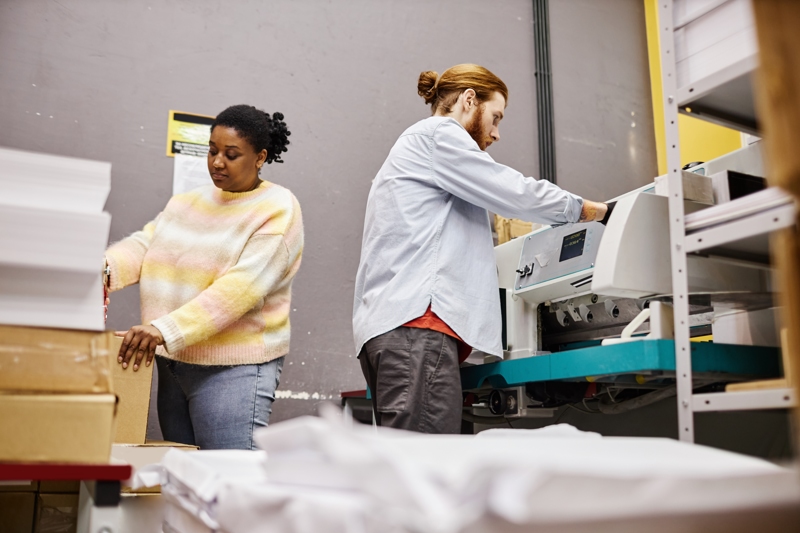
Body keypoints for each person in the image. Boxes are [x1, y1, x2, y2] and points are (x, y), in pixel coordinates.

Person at [353, 64, 614, 434]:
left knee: (409, 467)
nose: (496, 132)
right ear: (468, 100)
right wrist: (592, 211)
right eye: (495, 117)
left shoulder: (418, 151)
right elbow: (510, 189)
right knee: (427, 471)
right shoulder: (440, 135)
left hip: (396, 332)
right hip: (417, 331)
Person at [105, 104, 304, 449]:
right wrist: (101, 269)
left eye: (231, 154)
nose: (216, 162)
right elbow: (146, 245)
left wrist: (163, 329)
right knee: (186, 483)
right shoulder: (187, 202)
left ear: (260, 157)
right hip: (173, 365)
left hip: (233, 372)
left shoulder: (277, 208)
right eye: (212, 150)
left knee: (227, 484)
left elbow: (240, 289)